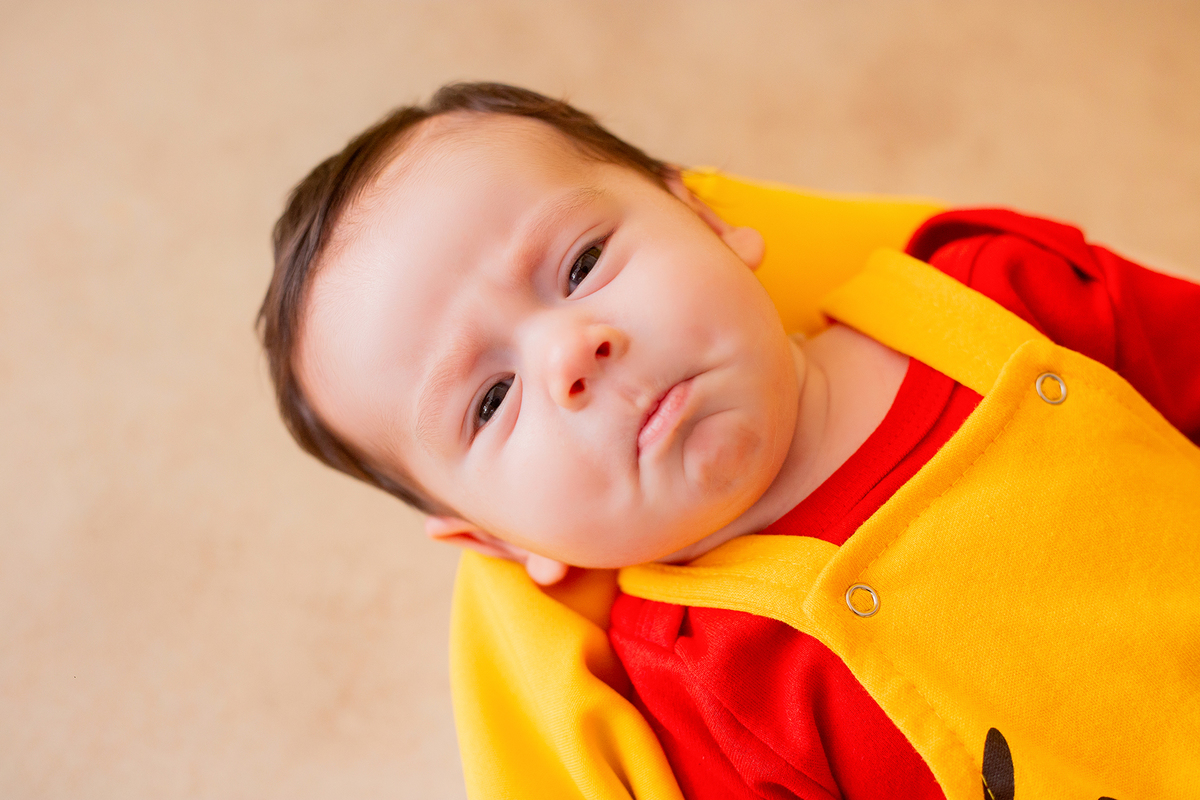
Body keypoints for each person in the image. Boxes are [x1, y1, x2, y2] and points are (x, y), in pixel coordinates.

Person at [258, 82, 1200, 800]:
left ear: (707, 218)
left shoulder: (993, 297)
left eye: (582, 263)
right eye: (492, 399)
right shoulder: (699, 694)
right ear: (500, 543)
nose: (571, 353)